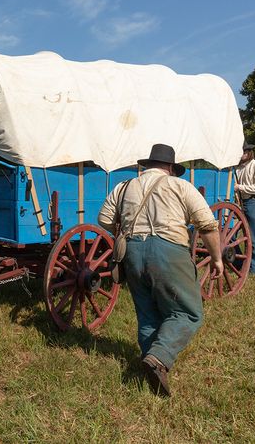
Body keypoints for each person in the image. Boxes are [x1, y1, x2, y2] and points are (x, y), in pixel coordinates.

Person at [97, 144, 224, 397]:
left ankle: (150, 366)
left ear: (147, 165)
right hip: (169, 252)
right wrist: (217, 258)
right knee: (188, 312)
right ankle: (158, 357)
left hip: (132, 253)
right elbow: (208, 225)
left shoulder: (123, 187)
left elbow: (104, 219)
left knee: (147, 313)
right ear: (170, 168)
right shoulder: (180, 186)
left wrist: (124, 233)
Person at [234, 141, 255, 275]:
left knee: (253, 238)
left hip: (253, 202)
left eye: (244, 152)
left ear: (249, 152)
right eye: (240, 152)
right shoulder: (237, 169)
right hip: (239, 204)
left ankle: (254, 269)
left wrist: (240, 187)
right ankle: (238, 263)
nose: (242, 154)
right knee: (231, 235)